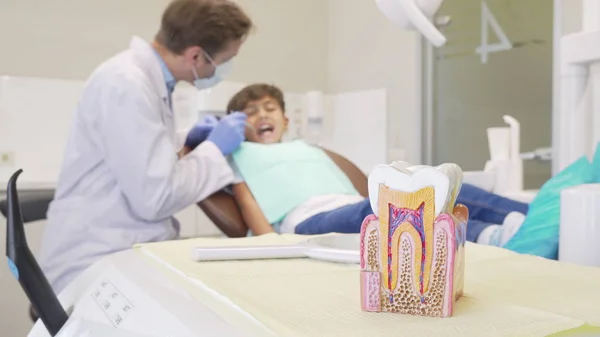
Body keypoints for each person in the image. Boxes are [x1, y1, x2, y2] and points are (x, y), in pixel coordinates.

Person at [39, 0, 253, 294]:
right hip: (96, 258)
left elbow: (138, 145)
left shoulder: (145, 80)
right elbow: (156, 197)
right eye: (225, 60)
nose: (225, 68)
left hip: (121, 247)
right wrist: (215, 149)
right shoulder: (126, 83)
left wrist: (185, 138)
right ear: (196, 56)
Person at [222, 83, 529, 245]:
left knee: (440, 184)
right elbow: (248, 203)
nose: (262, 115)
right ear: (237, 125)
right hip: (307, 221)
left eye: (269, 108)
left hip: (349, 204)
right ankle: (487, 236)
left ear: (286, 120)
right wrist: (275, 246)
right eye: (251, 112)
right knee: (391, 206)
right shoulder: (242, 158)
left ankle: (531, 216)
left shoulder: (308, 150)